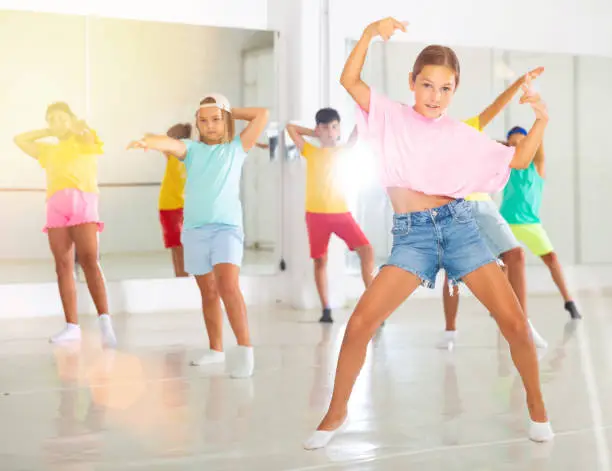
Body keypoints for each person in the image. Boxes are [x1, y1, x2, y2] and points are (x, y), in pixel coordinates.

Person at [304, 17, 554, 449]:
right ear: (412, 82)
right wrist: (368, 34)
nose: (434, 96)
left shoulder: (461, 135)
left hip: (459, 229)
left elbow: (516, 161)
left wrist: (541, 119)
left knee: (513, 322)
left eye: (444, 88)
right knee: (362, 321)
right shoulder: (387, 115)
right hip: (413, 237)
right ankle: (336, 412)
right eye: (426, 85)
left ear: (454, 90)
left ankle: (537, 406)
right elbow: (349, 79)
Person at [127, 94, 268, 378]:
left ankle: (244, 349)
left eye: (216, 120)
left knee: (228, 286)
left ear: (225, 120)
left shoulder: (237, 147)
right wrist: (148, 142)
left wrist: (226, 111)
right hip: (195, 231)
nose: (210, 126)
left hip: (227, 229)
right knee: (208, 292)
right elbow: (169, 143)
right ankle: (215, 349)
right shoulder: (191, 149)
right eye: (203, 121)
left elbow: (261, 114)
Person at [438, 67, 549, 350]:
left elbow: (495, 107)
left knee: (516, 255)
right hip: (454, 209)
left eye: (445, 90)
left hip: (481, 203)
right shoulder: (426, 138)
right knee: (453, 273)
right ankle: (450, 331)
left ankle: (522, 326)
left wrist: (517, 84)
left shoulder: (466, 128)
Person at [13, 102, 117, 347]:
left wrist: (72, 125)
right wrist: (48, 131)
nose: (56, 123)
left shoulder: (84, 140)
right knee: (63, 265)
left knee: (90, 260)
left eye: (61, 118)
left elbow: (88, 136)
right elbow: (19, 139)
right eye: (52, 120)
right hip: (56, 208)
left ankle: (105, 322)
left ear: (71, 120)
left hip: (83, 203)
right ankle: (72, 326)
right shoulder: (48, 150)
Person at [287, 110, 374, 323]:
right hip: (316, 216)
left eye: (334, 126)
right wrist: (314, 134)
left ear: (339, 129)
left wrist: (366, 111)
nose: (329, 131)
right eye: (324, 127)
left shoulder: (345, 150)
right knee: (320, 261)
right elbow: (290, 128)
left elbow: (357, 131)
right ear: (318, 130)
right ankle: (326, 309)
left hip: (341, 214)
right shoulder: (311, 151)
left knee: (367, 250)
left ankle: (373, 304)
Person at [501, 127, 581, 319]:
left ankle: (569, 301)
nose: (516, 146)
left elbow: (538, 142)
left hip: (531, 224)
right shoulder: (506, 165)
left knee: (551, 259)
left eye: (521, 142)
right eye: (512, 143)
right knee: (503, 264)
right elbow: (491, 145)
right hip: (505, 221)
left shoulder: (537, 165)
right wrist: (508, 145)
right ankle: (502, 304)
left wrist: (532, 131)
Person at [158, 123, 190, 277]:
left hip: (180, 206)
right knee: (175, 245)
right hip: (168, 205)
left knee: (181, 245)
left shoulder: (188, 154)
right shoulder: (171, 155)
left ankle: (183, 276)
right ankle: (180, 276)